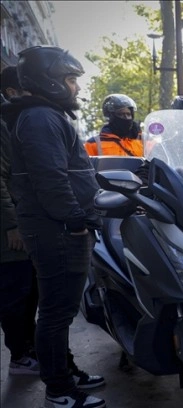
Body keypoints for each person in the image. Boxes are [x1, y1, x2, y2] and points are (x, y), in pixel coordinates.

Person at [1, 45, 106, 408]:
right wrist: (75, 220)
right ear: (50, 80)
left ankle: (65, 371)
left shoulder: (44, 115)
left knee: (58, 308)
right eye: (71, 79)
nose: (75, 87)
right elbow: (51, 180)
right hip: (57, 229)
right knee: (57, 311)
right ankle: (59, 390)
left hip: (57, 226)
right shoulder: (40, 118)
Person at [1, 65, 39, 376]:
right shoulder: (4, 123)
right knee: (16, 292)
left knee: (30, 290)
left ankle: (29, 348)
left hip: (24, 221)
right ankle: (19, 356)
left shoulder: (16, 122)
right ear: (12, 92)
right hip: (10, 229)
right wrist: (12, 224)